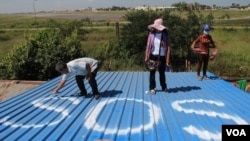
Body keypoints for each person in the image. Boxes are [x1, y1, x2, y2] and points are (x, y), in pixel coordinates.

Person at [145, 18, 171, 95]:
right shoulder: (151, 34)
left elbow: (168, 46)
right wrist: (146, 55)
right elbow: (148, 45)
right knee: (152, 73)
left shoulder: (165, 35)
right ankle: (152, 88)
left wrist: (168, 58)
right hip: (153, 56)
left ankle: (164, 87)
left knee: (162, 73)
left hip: (162, 56)